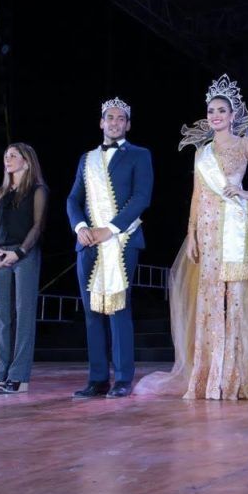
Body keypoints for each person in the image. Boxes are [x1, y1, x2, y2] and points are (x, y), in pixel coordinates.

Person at [134, 75, 248, 400]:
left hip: (237, 225)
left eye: (221, 111)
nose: (215, 116)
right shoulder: (201, 154)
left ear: (232, 115)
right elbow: (197, 195)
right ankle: (209, 374)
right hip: (209, 230)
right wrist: (192, 234)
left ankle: (238, 373)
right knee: (211, 301)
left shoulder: (244, 144)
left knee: (240, 299)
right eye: (211, 110)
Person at [67, 97, 153, 400]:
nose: (114, 122)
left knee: (118, 309)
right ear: (101, 122)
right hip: (88, 243)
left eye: (120, 118)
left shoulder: (140, 155)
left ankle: (123, 378)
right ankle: (98, 378)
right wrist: (81, 229)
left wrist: (110, 229)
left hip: (122, 240)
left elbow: (141, 198)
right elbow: (72, 200)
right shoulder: (86, 159)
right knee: (92, 312)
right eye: (109, 117)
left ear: (127, 124)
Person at [0, 143, 48, 394]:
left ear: (27, 161)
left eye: (13, 155)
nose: (7, 159)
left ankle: (19, 375)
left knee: (23, 314)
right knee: (3, 316)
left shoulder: (38, 190)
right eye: (5, 155)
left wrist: (19, 252)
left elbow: (38, 226)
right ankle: (2, 369)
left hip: (24, 255)